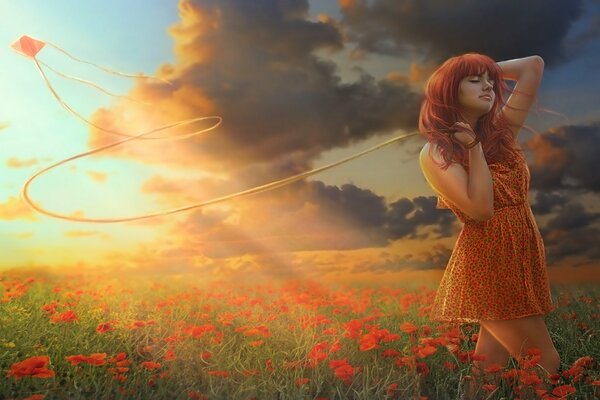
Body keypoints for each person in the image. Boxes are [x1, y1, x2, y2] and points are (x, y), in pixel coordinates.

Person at [418, 53, 560, 399]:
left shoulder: (501, 133)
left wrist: (467, 71)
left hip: (519, 256)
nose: (488, 86)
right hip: (489, 263)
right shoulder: (436, 151)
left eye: (489, 80)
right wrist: (473, 150)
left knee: (486, 372)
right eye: (473, 81)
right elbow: (480, 210)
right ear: (450, 92)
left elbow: (534, 66)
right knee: (544, 361)